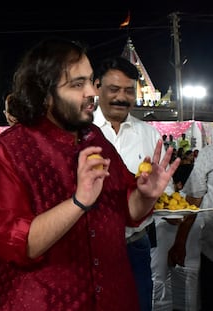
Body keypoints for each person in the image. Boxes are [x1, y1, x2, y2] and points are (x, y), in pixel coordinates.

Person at [0, 38, 179, 310]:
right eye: (77, 84)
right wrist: (78, 202)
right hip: (41, 300)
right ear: (45, 94)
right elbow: (19, 245)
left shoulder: (93, 138)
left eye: (90, 81)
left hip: (112, 295)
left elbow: (128, 209)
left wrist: (146, 195)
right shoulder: (8, 152)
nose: (91, 93)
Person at [93, 55, 171, 311]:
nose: (121, 97)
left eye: (128, 90)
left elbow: (163, 194)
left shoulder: (150, 135)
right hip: (89, 250)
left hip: (135, 245)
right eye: (113, 89)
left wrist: (153, 195)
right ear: (96, 87)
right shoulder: (79, 132)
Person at [178, 144, 213, 310]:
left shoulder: (209, 153)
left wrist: (180, 242)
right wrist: (180, 241)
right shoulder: (209, 154)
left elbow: (194, 200)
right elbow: (194, 200)